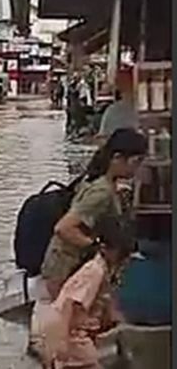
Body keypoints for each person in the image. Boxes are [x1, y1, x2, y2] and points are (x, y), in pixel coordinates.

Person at [40, 128, 146, 299]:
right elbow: (64, 228)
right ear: (118, 158)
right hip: (67, 270)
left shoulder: (96, 179)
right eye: (136, 161)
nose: (138, 167)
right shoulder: (101, 192)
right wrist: (96, 249)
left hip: (63, 267)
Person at [38, 216, 133, 368]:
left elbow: (107, 302)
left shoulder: (105, 270)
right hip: (68, 330)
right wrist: (60, 341)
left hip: (76, 329)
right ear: (105, 249)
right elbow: (69, 303)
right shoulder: (94, 271)